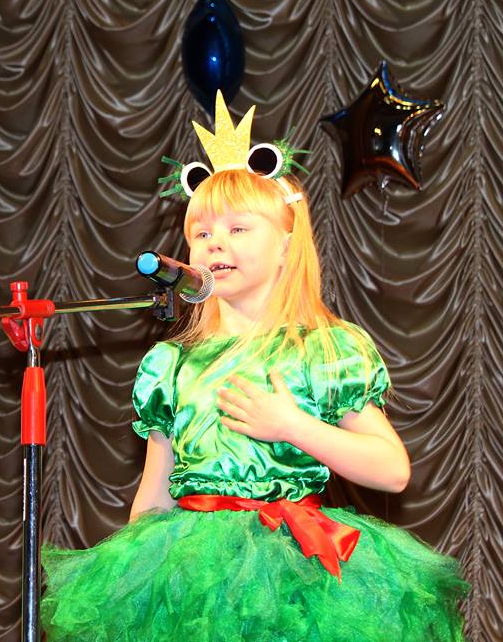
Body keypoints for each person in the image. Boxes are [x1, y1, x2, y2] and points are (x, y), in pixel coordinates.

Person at [41, 93, 468, 642]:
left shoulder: (325, 350)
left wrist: (292, 425)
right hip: (192, 575)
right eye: (202, 233)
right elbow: (154, 494)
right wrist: (132, 586)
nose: (215, 243)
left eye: (237, 229)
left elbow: (392, 471)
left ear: (287, 246)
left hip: (295, 574)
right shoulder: (172, 363)